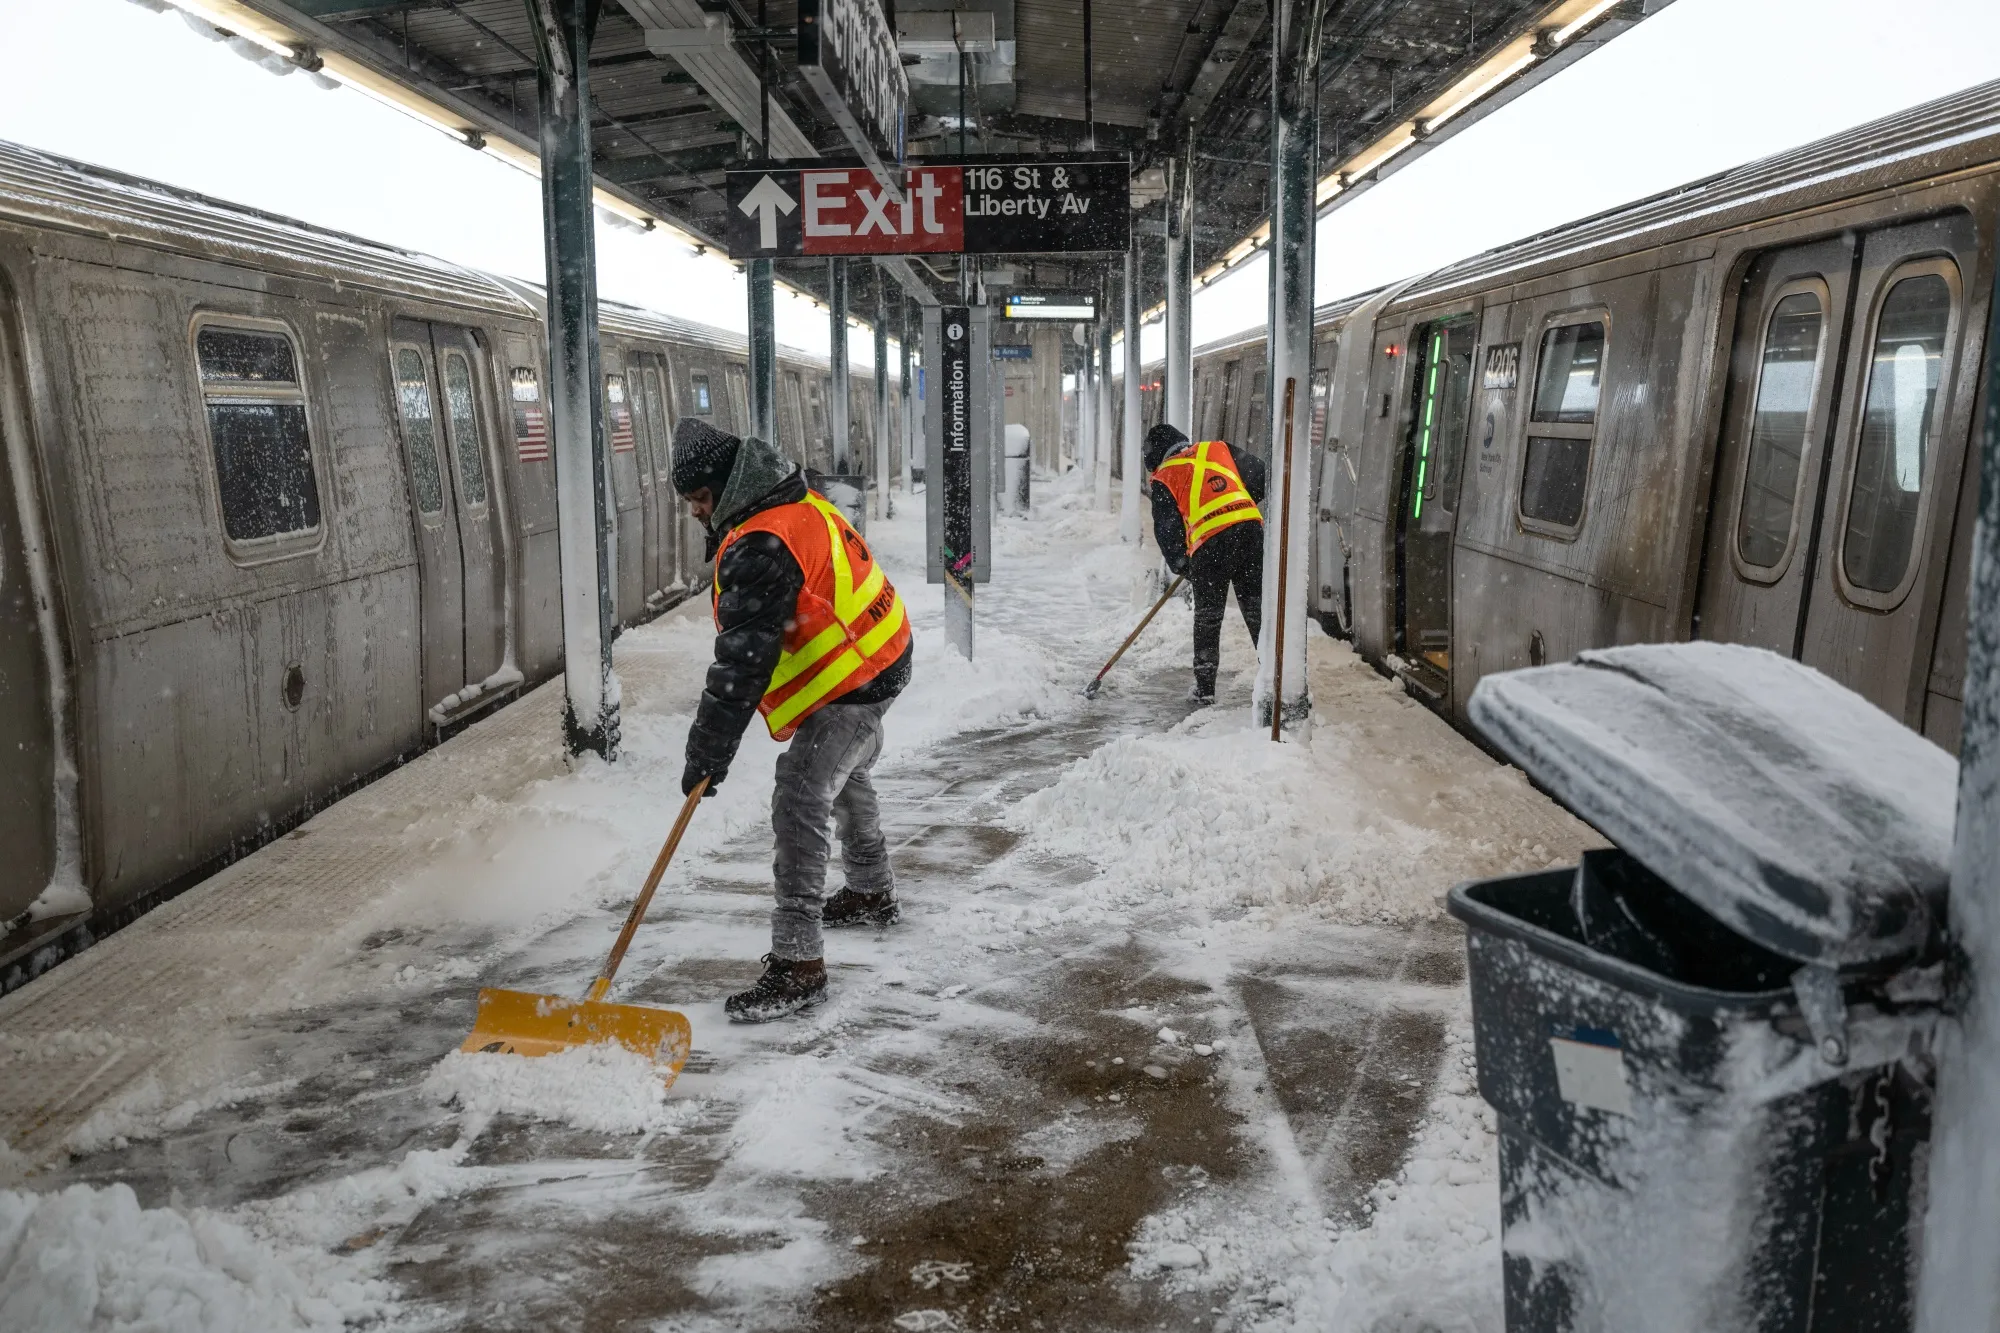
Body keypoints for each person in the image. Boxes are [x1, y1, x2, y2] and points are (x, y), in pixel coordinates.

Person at [672, 419, 914, 1022]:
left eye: (701, 500)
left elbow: (743, 659)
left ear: (725, 487)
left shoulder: (760, 543)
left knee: (803, 790)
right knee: (845, 774)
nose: (699, 514)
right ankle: (868, 889)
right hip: (881, 652)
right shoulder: (789, 497)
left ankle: (798, 963)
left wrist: (708, 752)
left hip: (856, 675)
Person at [1144, 423, 1266, 705]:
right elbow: (1260, 478)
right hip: (1249, 534)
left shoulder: (1164, 477)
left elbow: (1168, 532)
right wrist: (1234, 508)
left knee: (1208, 619)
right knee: (1258, 612)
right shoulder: (1219, 449)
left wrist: (1183, 565)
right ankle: (1276, 678)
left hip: (1210, 550)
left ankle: (1205, 689)